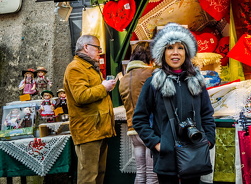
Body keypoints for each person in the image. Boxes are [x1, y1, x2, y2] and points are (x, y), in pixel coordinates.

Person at [133, 23, 216, 184]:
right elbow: (139, 119)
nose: (175, 53)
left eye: (180, 47)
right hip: (166, 158)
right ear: (163, 52)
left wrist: (209, 139)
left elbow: (206, 114)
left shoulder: (197, 82)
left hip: (194, 154)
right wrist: (157, 144)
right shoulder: (153, 83)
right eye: (170, 47)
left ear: (187, 52)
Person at [63, 34, 116, 184]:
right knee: (88, 176)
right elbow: (81, 96)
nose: (100, 51)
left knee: (99, 173)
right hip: (88, 130)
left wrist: (104, 87)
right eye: (97, 47)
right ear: (86, 47)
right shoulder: (75, 68)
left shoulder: (90, 67)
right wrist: (103, 87)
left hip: (98, 129)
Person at [119, 41, 158, 184]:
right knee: (152, 176)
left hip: (133, 130)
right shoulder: (150, 73)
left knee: (141, 173)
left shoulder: (123, 78)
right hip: (149, 130)